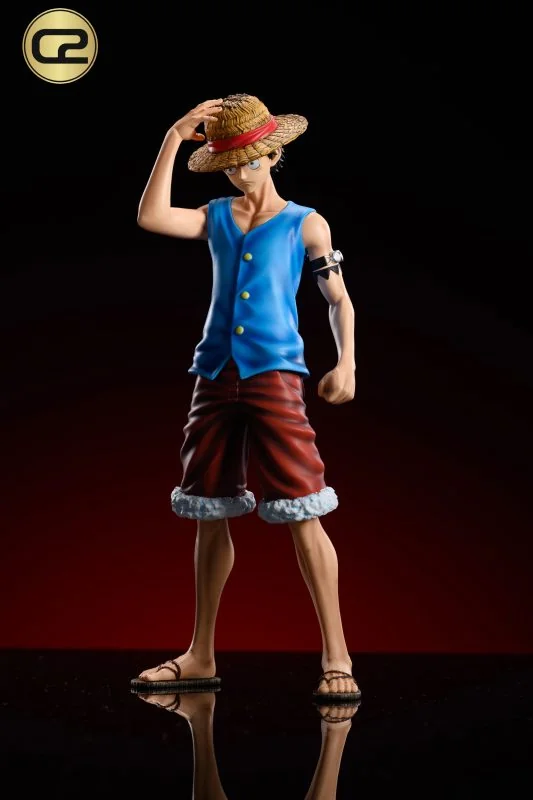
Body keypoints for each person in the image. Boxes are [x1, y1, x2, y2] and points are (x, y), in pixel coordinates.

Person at [131, 94, 360, 701]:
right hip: (214, 373)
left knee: (304, 509)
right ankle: (200, 652)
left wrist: (346, 362)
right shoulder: (215, 216)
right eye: (229, 163)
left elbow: (338, 299)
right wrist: (174, 137)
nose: (241, 172)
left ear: (275, 154)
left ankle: (337, 655)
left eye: (251, 160)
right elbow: (152, 217)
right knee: (209, 510)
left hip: (275, 375)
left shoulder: (306, 223)